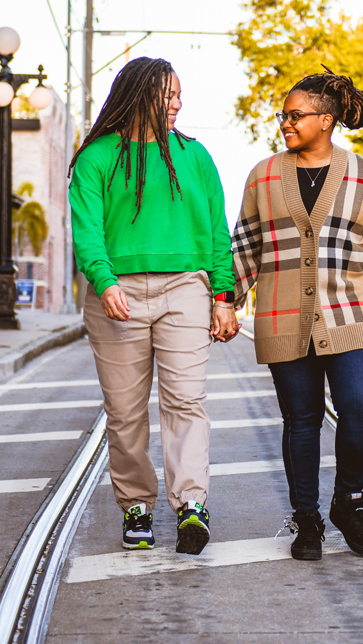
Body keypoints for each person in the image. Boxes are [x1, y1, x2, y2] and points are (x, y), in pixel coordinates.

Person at [231, 67, 363, 561]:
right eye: (283, 116)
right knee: (301, 420)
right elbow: (246, 246)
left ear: (326, 120)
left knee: (359, 407)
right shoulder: (264, 175)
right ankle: (307, 518)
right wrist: (226, 302)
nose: (285, 124)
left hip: (352, 310)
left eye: (295, 116)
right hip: (284, 313)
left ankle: (349, 501)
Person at [68, 57, 239, 554]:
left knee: (186, 401)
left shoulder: (195, 156)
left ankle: (191, 505)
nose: (177, 104)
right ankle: (136, 506)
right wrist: (104, 282)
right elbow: (87, 231)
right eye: (168, 96)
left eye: (179, 95)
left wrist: (223, 297)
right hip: (116, 295)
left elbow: (216, 232)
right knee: (124, 413)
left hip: (186, 289)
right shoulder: (98, 157)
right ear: (140, 95)